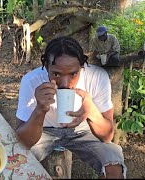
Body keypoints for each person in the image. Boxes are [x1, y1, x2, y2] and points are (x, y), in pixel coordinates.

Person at [15, 36, 126, 179]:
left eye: (73, 74)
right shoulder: (31, 81)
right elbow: (22, 141)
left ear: (82, 67)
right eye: (56, 74)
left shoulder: (97, 77)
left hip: (84, 130)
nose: (65, 83)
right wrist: (40, 109)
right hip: (44, 131)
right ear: (46, 67)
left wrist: (91, 112)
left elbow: (107, 136)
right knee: (17, 163)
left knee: (114, 168)